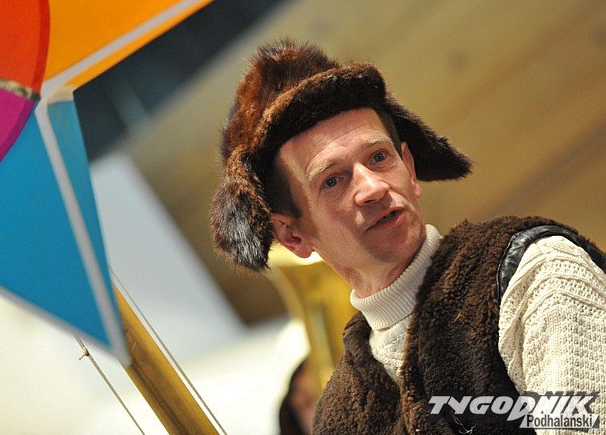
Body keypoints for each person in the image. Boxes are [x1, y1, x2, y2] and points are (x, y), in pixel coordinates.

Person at [210, 40, 606, 434]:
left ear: (410, 169)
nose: (372, 188)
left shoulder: (532, 274)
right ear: (292, 236)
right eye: (332, 180)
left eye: (378, 158)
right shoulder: (338, 417)